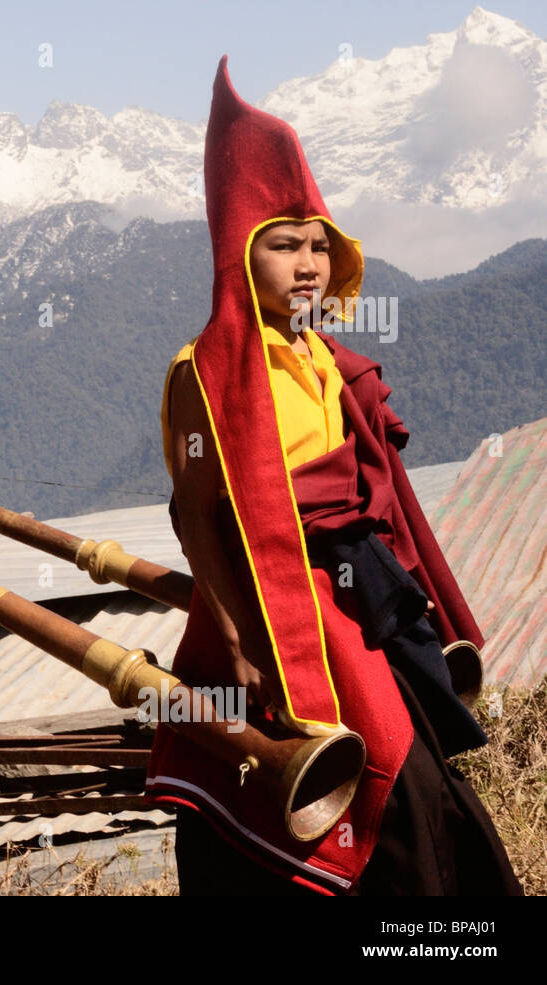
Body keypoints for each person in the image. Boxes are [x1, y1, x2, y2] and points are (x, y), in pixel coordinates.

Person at [146, 57, 520, 896]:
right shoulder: (201, 375)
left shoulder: (321, 356)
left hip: (358, 595)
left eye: (319, 244)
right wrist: (238, 638)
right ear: (242, 254)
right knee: (365, 773)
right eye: (284, 246)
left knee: (417, 767)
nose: (308, 264)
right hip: (277, 607)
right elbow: (197, 514)